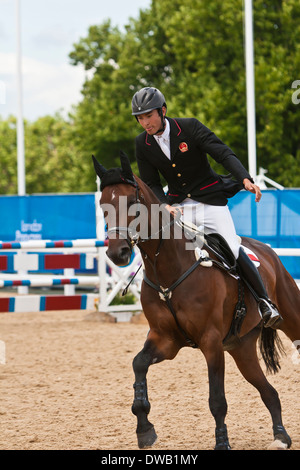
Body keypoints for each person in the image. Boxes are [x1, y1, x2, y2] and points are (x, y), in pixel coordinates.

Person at [132, 86, 283, 329]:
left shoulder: (189, 127)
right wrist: (163, 206)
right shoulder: (142, 143)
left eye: (148, 115)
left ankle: (265, 303)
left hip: (209, 200)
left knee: (232, 247)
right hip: (178, 205)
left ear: (163, 111)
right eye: (140, 118)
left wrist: (245, 178)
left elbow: (222, 153)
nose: (145, 122)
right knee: (166, 250)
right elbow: (151, 182)